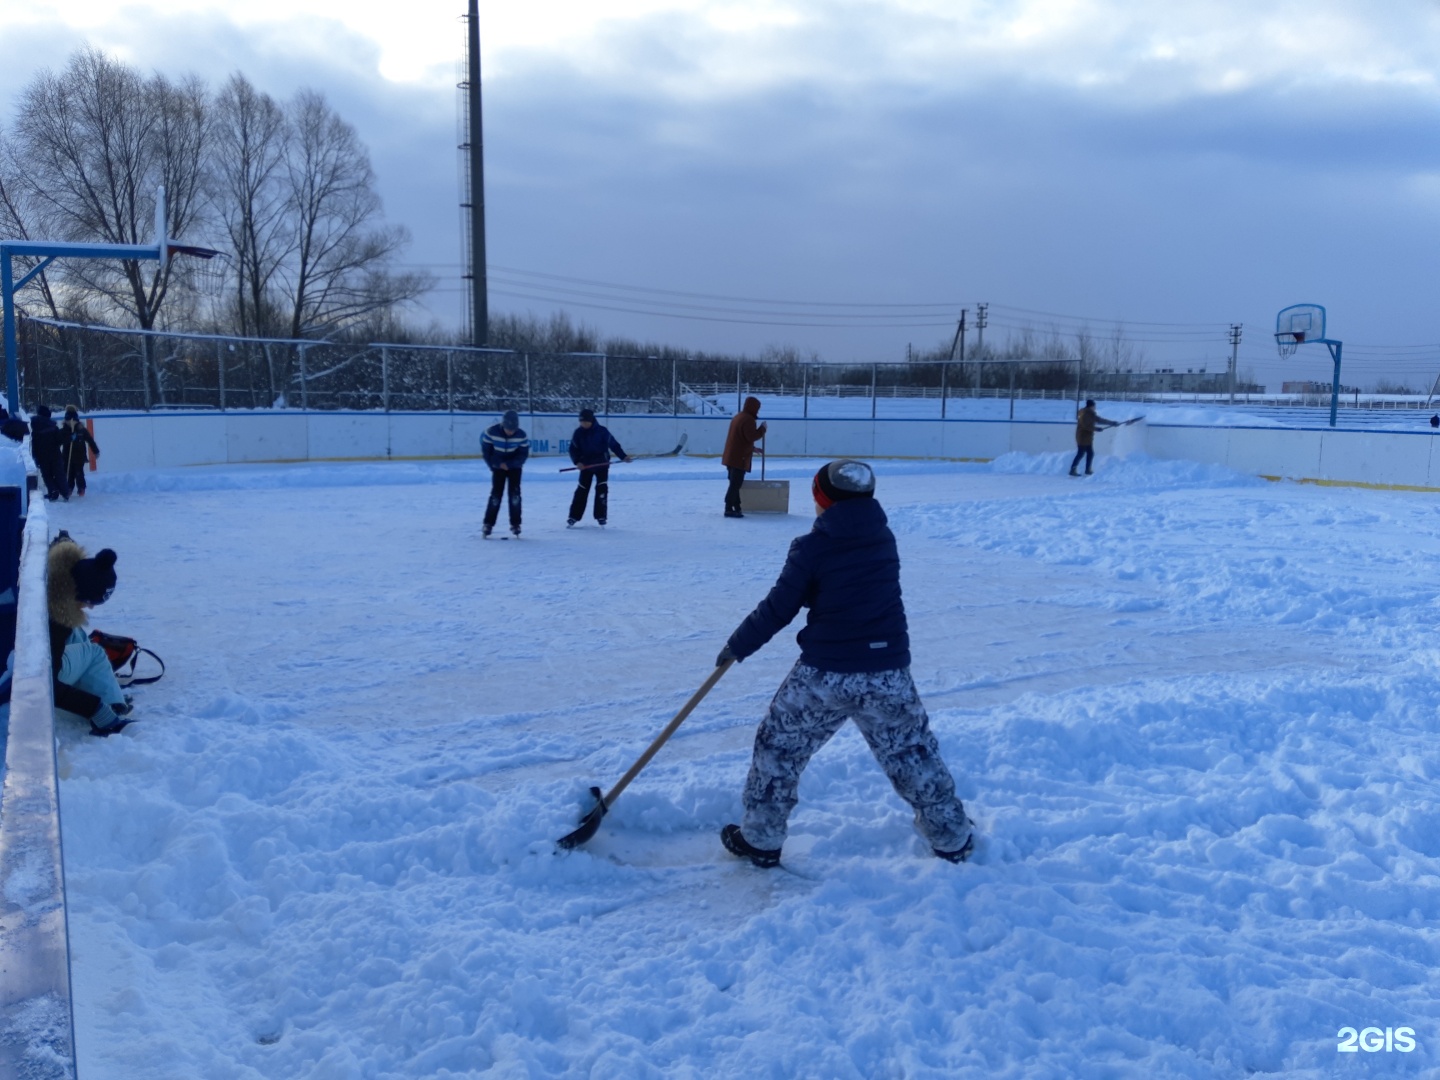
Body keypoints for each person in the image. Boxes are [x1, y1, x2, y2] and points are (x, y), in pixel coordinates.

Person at [715, 459, 976, 868]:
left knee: (779, 746)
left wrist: (738, 644)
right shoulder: (883, 537)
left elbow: (778, 608)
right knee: (911, 752)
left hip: (826, 675)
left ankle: (762, 839)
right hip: (887, 672)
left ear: (823, 500)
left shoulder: (812, 547)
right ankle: (951, 836)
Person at [47, 532, 133, 736]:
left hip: (29, 654)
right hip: (34, 676)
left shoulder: (58, 581)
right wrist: (94, 708)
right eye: (90, 601)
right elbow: (47, 684)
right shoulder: (56, 622)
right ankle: (111, 707)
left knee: (79, 636)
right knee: (94, 652)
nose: (91, 607)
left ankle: (110, 696)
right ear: (79, 592)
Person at [566, 408, 631, 527]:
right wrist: (577, 462)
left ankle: (601, 516)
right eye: (581, 422)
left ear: (591, 421)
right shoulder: (578, 433)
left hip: (602, 465)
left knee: (601, 490)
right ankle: (574, 516)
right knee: (582, 490)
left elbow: (614, 445)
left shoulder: (602, 431)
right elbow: (573, 449)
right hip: (586, 466)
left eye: (585, 422)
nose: (583, 424)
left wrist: (623, 456)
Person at [481, 409, 529, 538]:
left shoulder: (521, 435)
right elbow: (487, 452)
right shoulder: (491, 432)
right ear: (503, 424)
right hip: (498, 468)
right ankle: (488, 523)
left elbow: (523, 454)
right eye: (508, 429)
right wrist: (496, 464)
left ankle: (515, 524)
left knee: (515, 496)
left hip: (514, 468)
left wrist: (510, 464)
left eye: (513, 429)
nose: (511, 432)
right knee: (495, 496)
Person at [721, 396, 767, 518]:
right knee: (735, 484)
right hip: (738, 458)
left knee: (734, 483)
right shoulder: (748, 419)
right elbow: (751, 437)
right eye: (757, 408)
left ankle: (737, 507)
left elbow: (739, 439)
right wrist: (762, 429)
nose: (758, 411)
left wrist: (752, 448)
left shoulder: (738, 417)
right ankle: (728, 508)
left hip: (731, 456)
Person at [60, 404, 101, 498]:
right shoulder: (64, 430)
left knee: (79, 472)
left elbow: (90, 440)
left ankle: (81, 488)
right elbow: (59, 440)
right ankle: (69, 488)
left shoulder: (81, 430)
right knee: (69, 472)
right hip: (67, 456)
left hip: (79, 455)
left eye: (74, 421)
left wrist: (95, 451)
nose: (71, 423)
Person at [1070, 399, 1118, 477]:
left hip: (1087, 438)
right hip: (1082, 437)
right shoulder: (1085, 414)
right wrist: (1096, 429)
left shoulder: (1090, 414)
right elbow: (1085, 426)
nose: (1095, 407)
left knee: (1090, 453)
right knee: (1081, 453)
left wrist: (1112, 423)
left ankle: (1087, 469)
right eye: (1094, 406)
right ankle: (1073, 469)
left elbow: (1100, 420)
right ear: (1091, 406)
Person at [30, 405, 66, 500]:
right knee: (59, 473)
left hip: (42, 455)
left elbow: (34, 443)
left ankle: (53, 491)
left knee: (46, 474)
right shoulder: (53, 426)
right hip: (55, 454)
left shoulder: (35, 426)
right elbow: (60, 440)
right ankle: (65, 493)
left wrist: (35, 456)